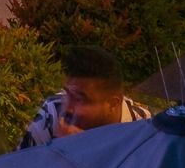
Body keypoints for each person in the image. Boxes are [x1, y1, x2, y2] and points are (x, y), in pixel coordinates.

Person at [19, 43, 149, 147]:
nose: (68, 107)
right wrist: (55, 150)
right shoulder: (51, 115)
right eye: (67, 93)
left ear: (112, 104)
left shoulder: (144, 129)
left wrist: (79, 153)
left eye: (79, 99)